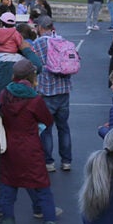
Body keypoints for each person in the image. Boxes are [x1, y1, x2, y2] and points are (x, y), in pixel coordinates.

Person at [0, 59, 77, 224]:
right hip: (30, 150)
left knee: (8, 194)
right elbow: (47, 120)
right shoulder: (34, 99)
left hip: (8, 149)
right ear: (31, 76)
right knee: (44, 194)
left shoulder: (5, 94)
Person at [31, 16, 74, 171]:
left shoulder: (38, 43)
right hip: (64, 90)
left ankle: (49, 162)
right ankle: (66, 161)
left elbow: (34, 64)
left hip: (46, 91)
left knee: (46, 128)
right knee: (63, 127)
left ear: (40, 28)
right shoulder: (62, 41)